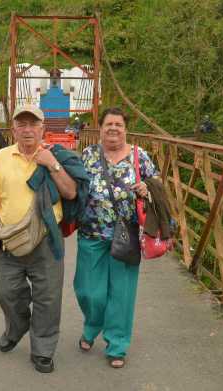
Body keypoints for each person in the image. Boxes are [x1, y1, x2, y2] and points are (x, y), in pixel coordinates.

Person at [0, 104, 89, 373]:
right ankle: (17, 327)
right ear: (13, 129)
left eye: (33, 124)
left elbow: (71, 193)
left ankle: (43, 350)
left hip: (47, 242)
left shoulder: (55, 156)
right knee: (6, 292)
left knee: (48, 298)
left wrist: (53, 166)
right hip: (8, 242)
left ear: (42, 129)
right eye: (22, 124)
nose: (27, 130)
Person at [74, 107, 158, 369]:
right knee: (89, 292)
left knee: (121, 294)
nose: (113, 128)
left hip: (127, 233)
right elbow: (72, 184)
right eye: (108, 124)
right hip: (91, 232)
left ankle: (117, 344)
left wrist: (147, 187)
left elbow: (157, 183)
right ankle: (93, 323)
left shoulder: (138, 155)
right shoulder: (87, 155)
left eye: (118, 125)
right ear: (100, 128)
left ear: (125, 129)